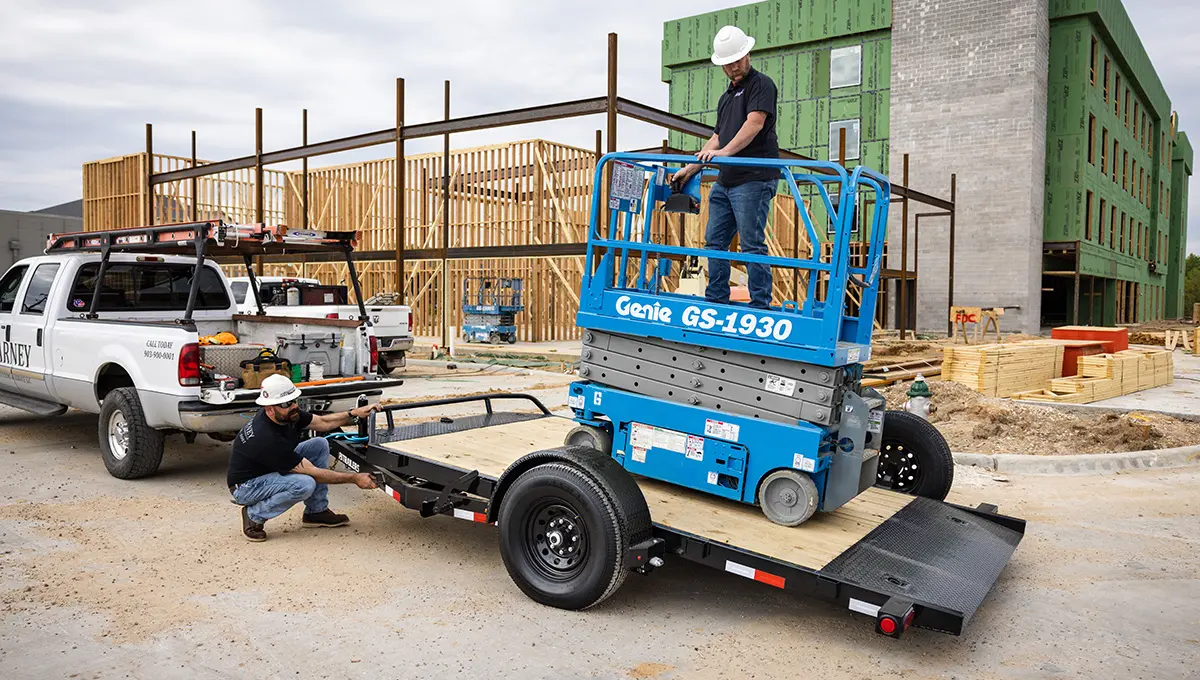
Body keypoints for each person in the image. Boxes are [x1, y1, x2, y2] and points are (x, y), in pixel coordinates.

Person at [672, 25, 780, 309]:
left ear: (747, 54)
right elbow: (717, 138)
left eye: (737, 60)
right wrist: (691, 168)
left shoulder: (762, 85)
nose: (733, 67)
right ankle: (716, 300)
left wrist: (726, 153)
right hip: (726, 180)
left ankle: (760, 305)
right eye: (727, 63)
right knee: (714, 242)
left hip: (754, 178)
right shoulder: (725, 99)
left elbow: (754, 123)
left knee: (751, 244)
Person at [227, 374, 381, 542]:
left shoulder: (287, 414)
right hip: (246, 487)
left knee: (319, 444)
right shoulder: (266, 439)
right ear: (269, 409)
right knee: (305, 484)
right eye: (287, 403)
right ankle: (253, 515)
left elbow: (322, 422)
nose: (294, 406)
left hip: (269, 467)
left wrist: (354, 413)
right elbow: (314, 473)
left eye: (295, 400)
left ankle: (316, 512)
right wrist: (355, 478)